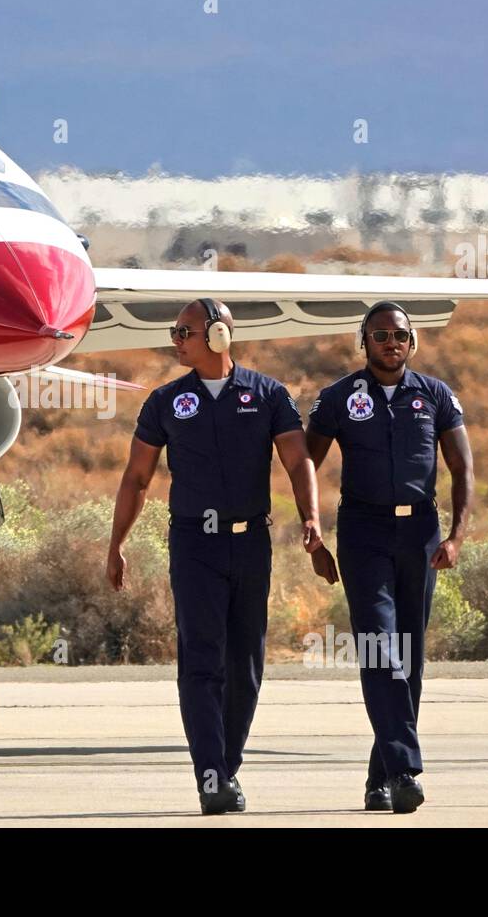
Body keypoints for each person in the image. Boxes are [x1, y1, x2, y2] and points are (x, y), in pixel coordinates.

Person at [107, 298, 328, 814]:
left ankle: (225, 767)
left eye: (184, 331)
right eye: (174, 331)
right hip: (193, 544)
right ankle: (210, 774)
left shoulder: (268, 394)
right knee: (201, 661)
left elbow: (298, 463)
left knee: (246, 664)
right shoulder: (165, 401)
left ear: (219, 336)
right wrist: (116, 542)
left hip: (251, 541)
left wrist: (311, 517)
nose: (175, 340)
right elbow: (137, 477)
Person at [305, 301, 474, 814]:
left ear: (412, 342)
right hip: (363, 531)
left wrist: (457, 536)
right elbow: (305, 465)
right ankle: (405, 770)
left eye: (399, 335)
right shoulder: (338, 398)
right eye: (379, 335)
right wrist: (312, 530)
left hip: (421, 532)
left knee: (410, 659)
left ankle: (380, 777)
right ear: (364, 342)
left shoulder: (436, 396)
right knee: (380, 647)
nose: (390, 343)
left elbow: (463, 470)